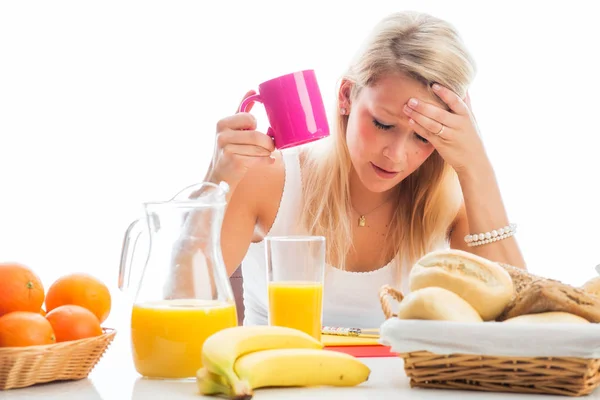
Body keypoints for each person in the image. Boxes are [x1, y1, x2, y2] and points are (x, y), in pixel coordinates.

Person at [203, 10, 526, 328]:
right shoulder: (270, 177)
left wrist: (476, 165)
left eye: (424, 135)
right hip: (271, 376)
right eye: (383, 123)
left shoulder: (452, 200)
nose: (396, 155)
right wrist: (214, 186)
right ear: (346, 95)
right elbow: (180, 301)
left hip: (403, 381)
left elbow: (522, 324)